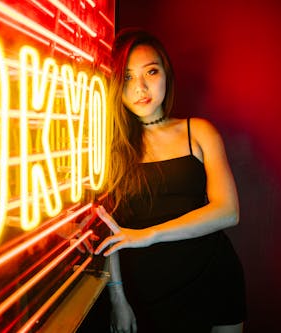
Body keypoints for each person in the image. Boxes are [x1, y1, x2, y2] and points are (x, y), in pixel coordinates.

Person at [90, 28, 246, 333]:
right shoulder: (109, 149)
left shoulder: (198, 131)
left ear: (166, 74)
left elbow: (229, 211)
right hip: (149, 290)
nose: (141, 87)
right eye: (127, 77)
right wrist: (118, 298)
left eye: (150, 71)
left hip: (213, 276)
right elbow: (110, 233)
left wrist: (149, 234)